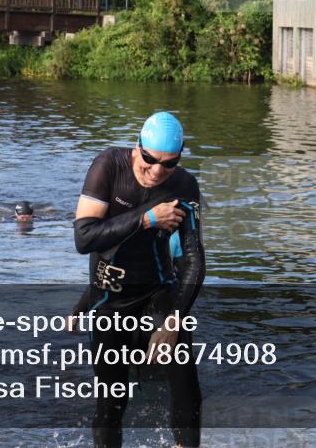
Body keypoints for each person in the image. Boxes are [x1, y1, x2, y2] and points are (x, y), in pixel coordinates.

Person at [73, 111, 205, 448]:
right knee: (111, 401)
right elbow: (84, 238)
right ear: (137, 148)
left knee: (185, 378)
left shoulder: (184, 185)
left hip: (157, 292)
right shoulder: (109, 166)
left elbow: (194, 259)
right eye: (150, 159)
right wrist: (145, 219)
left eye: (169, 163)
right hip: (109, 297)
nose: (158, 171)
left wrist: (176, 317)